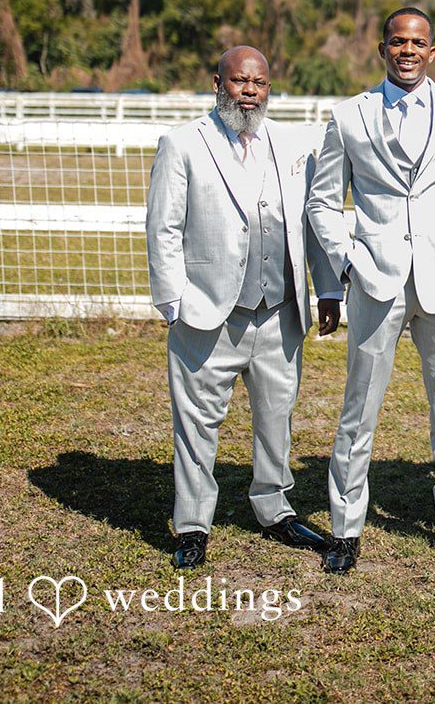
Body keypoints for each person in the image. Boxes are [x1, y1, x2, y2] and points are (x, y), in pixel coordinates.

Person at [306, 7, 435, 574]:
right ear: (382, 48)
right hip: (374, 281)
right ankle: (345, 528)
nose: (407, 50)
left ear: (432, 51)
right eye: (397, 41)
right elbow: (322, 200)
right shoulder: (348, 117)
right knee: (358, 410)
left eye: (418, 43)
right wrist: (347, 260)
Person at [145, 45, 339, 569]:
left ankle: (274, 507)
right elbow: (163, 228)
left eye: (259, 83)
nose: (250, 91)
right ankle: (191, 524)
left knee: (277, 418)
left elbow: (313, 225)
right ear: (217, 83)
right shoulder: (184, 144)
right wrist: (174, 304)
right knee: (197, 423)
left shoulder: (294, 144)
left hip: (280, 310)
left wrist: (328, 290)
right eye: (239, 81)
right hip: (209, 313)